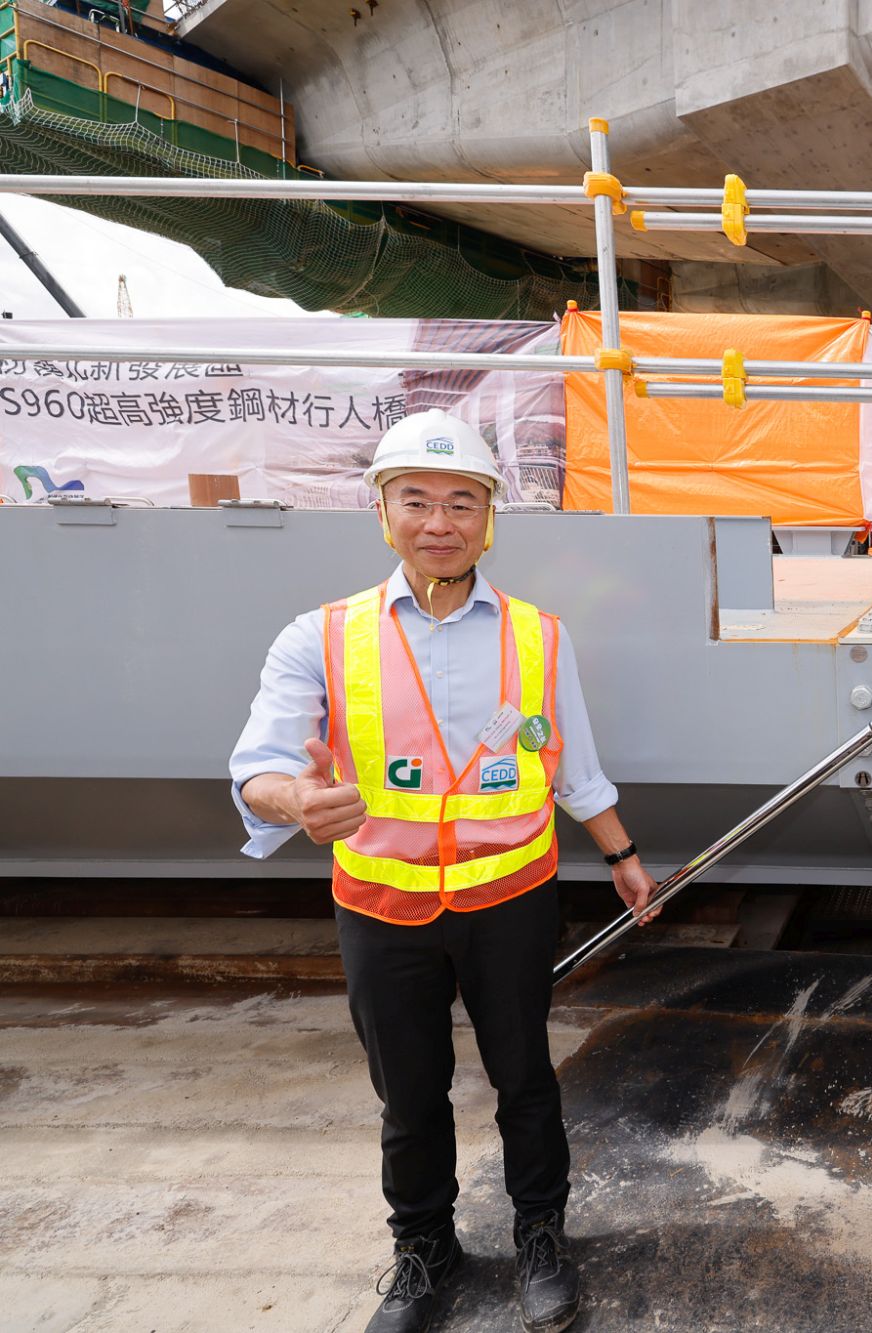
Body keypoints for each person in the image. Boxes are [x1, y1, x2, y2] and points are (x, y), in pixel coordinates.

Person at [230, 410, 658, 1333]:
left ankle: (542, 1234)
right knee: (409, 1092)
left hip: (508, 900)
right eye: (415, 500)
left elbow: (568, 759)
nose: (439, 521)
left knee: (526, 1079)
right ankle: (424, 1246)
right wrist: (294, 802)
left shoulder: (538, 636)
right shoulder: (323, 635)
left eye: (461, 501)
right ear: (382, 511)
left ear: (489, 516)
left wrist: (621, 855)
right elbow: (257, 764)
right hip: (383, 906)